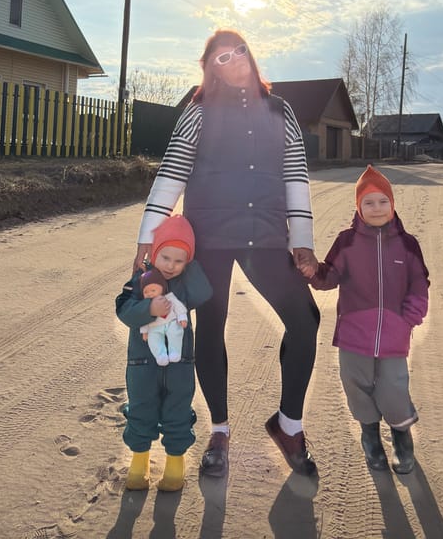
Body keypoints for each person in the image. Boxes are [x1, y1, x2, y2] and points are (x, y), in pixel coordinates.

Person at [133, 29, 321, 479]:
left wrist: (303, 240)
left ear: (250, 56)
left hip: (266, 234)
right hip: (209, 235)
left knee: (304, 318)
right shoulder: (198, 111)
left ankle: (288, 425)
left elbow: (295, 173)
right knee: (211, 325)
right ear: (210, 69)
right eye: (222, 57)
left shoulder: (282, 110)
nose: (234, 60)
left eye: (239, 52)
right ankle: (219, 432)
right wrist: (148, 234)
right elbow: (173, 170)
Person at [299, 164, 429, 475]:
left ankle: (402, 440)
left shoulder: (407, 244)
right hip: (354, 335)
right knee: (356, 386)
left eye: (383, 201)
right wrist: (314, 271)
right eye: (368, 203)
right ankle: (370, 437)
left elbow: (419, 284)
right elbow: (330, 276)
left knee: (393, 388)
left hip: (394, 336)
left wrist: (408, 318)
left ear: (392, 204)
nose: (376, 208)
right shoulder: (347, 241)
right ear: (358, 207)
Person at [116, 214, 212, 491]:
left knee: (178, 413)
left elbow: (203, 292)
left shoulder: (185, 285)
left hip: (179, 364)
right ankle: (139, 466)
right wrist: (149, 309)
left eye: (180, 260)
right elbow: (123, 310)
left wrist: (191, 266)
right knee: (141, 411)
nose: (171, 266)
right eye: (166, 257)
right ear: (154, 254)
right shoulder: (140, 280)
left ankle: (174, 469)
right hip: (141, 364)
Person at [139, 268, 188, 365]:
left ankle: (175, 352)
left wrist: (182, 317)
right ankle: (160, 356)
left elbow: (179, 307)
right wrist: (144, 331)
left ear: (162, 288)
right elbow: (143, 318)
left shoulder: (169, 297)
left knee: (176, 333)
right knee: (154, 341)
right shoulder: (145, 305)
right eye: (146, 292)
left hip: (171, 322)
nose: (150, 294)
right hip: (154, 327)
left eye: (153, 290)